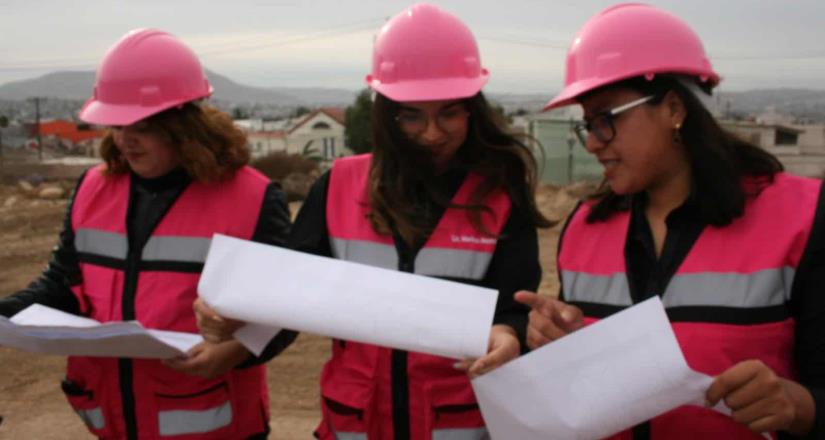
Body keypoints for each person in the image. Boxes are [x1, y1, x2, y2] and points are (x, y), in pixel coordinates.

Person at [195, 3, 550, 439]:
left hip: (458, 425)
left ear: (472, 110)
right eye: (412, 115)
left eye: (449, 113)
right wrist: (233, 322)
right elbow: (285, 297)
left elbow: (516, 311)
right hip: (355, 423)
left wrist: (511, 335)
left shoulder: (499, 196)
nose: (433, 133)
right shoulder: (338, 187)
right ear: (385, 112)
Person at [514, 3, 824, 439]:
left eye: (605, 121)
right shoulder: (584, 229)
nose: (592, 144)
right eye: (587, 125)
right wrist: (556, 346)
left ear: (674, 108)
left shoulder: (800, 218)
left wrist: (799, 405)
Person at [0, 29, 296, 439]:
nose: (125, 140)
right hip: (114, 421)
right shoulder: (93, 189)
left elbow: (287, 309)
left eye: (141, 125)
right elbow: (65, 285)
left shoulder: (253, 197)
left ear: (184, 123)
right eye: (117, 124)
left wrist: (235, 351)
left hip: (213, 421)